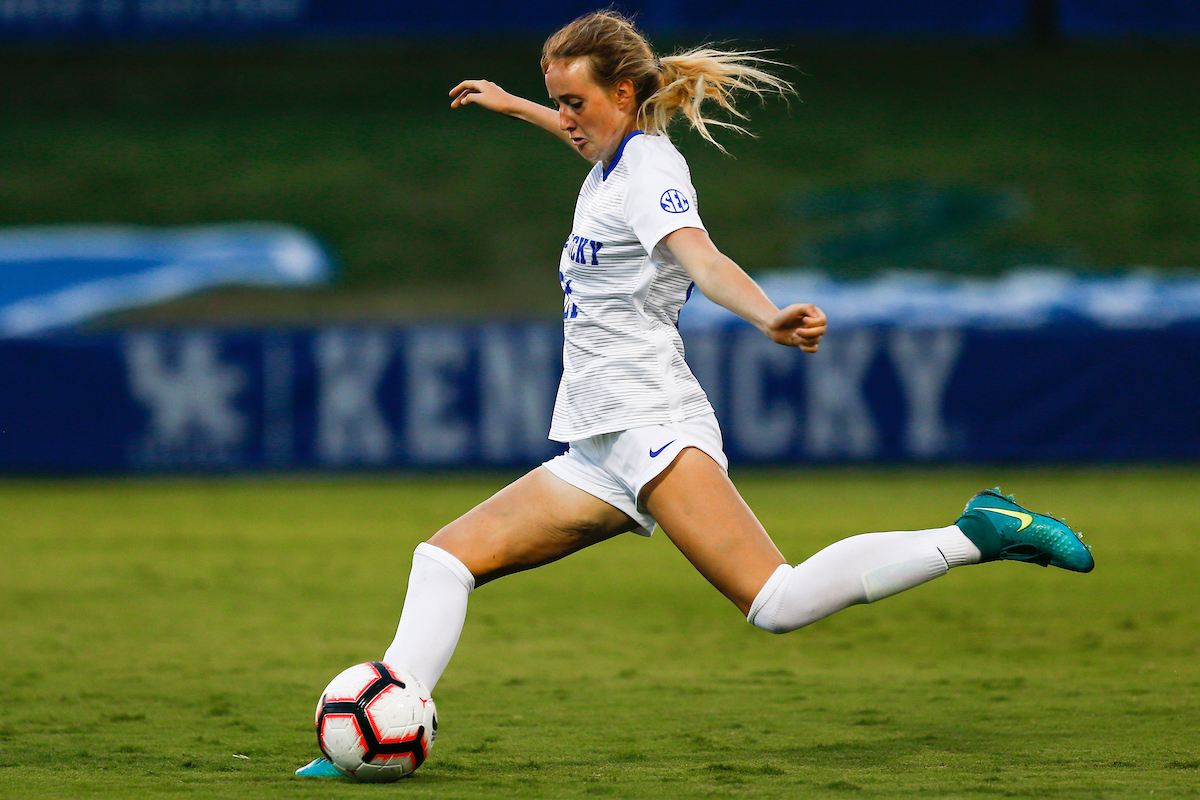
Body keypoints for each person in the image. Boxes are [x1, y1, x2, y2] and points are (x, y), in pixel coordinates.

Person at [299, 10, 1092, 776]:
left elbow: (702, 259)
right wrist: (516, 107)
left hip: (651, 422)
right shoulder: (614, 161)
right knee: (443, 560)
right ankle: (381, 726)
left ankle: (976, 532)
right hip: (598, 445)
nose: (567, 119)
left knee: (777, 601)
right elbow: (589, 144)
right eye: (557, 102)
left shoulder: (649, 171)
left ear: (622, 93)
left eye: (574, 102)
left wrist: (767, 316)